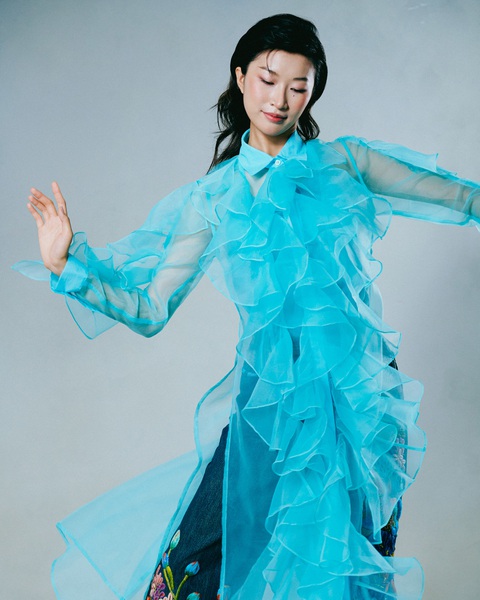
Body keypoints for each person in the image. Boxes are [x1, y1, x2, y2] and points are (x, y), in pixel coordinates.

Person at [14, 13, 480, 600]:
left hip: (359, 394)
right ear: (240, 77)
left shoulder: (347, 163)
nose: (280, 100)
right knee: (199, 556)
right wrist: (67, 268)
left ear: (313, 92)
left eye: (298, 86)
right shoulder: (214, 198)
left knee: (356, 562)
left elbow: (462, 198)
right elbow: (151, 309)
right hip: (271, 394)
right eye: (267, 79)